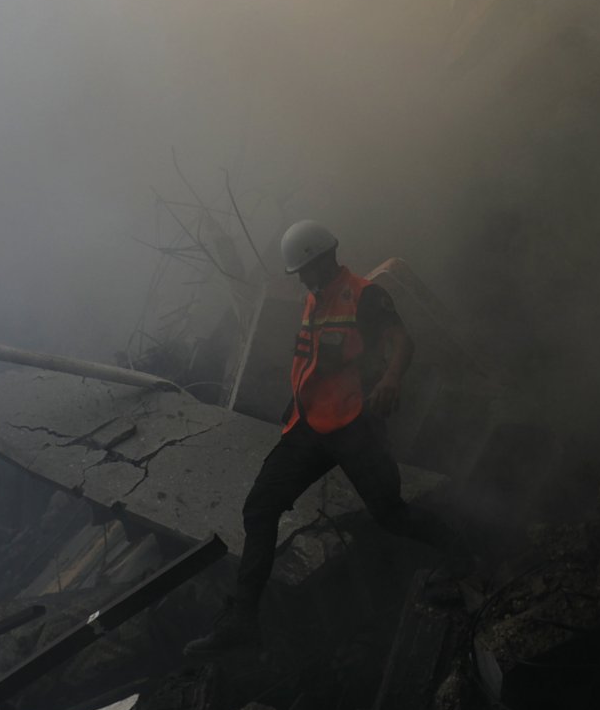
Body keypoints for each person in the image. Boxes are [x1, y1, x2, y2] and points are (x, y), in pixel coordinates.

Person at [184, 219, 465, 656]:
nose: (303, 281)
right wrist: (295, 405)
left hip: (357, 425)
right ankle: (242, 623)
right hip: (310, 427)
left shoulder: (365, 295)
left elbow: (401, 340)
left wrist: (392, 378)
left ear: (322, 260)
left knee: (390, 514)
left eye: (305, 272)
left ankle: (462, 552)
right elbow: (313, 361)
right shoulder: (313, 300)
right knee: (259, 508)